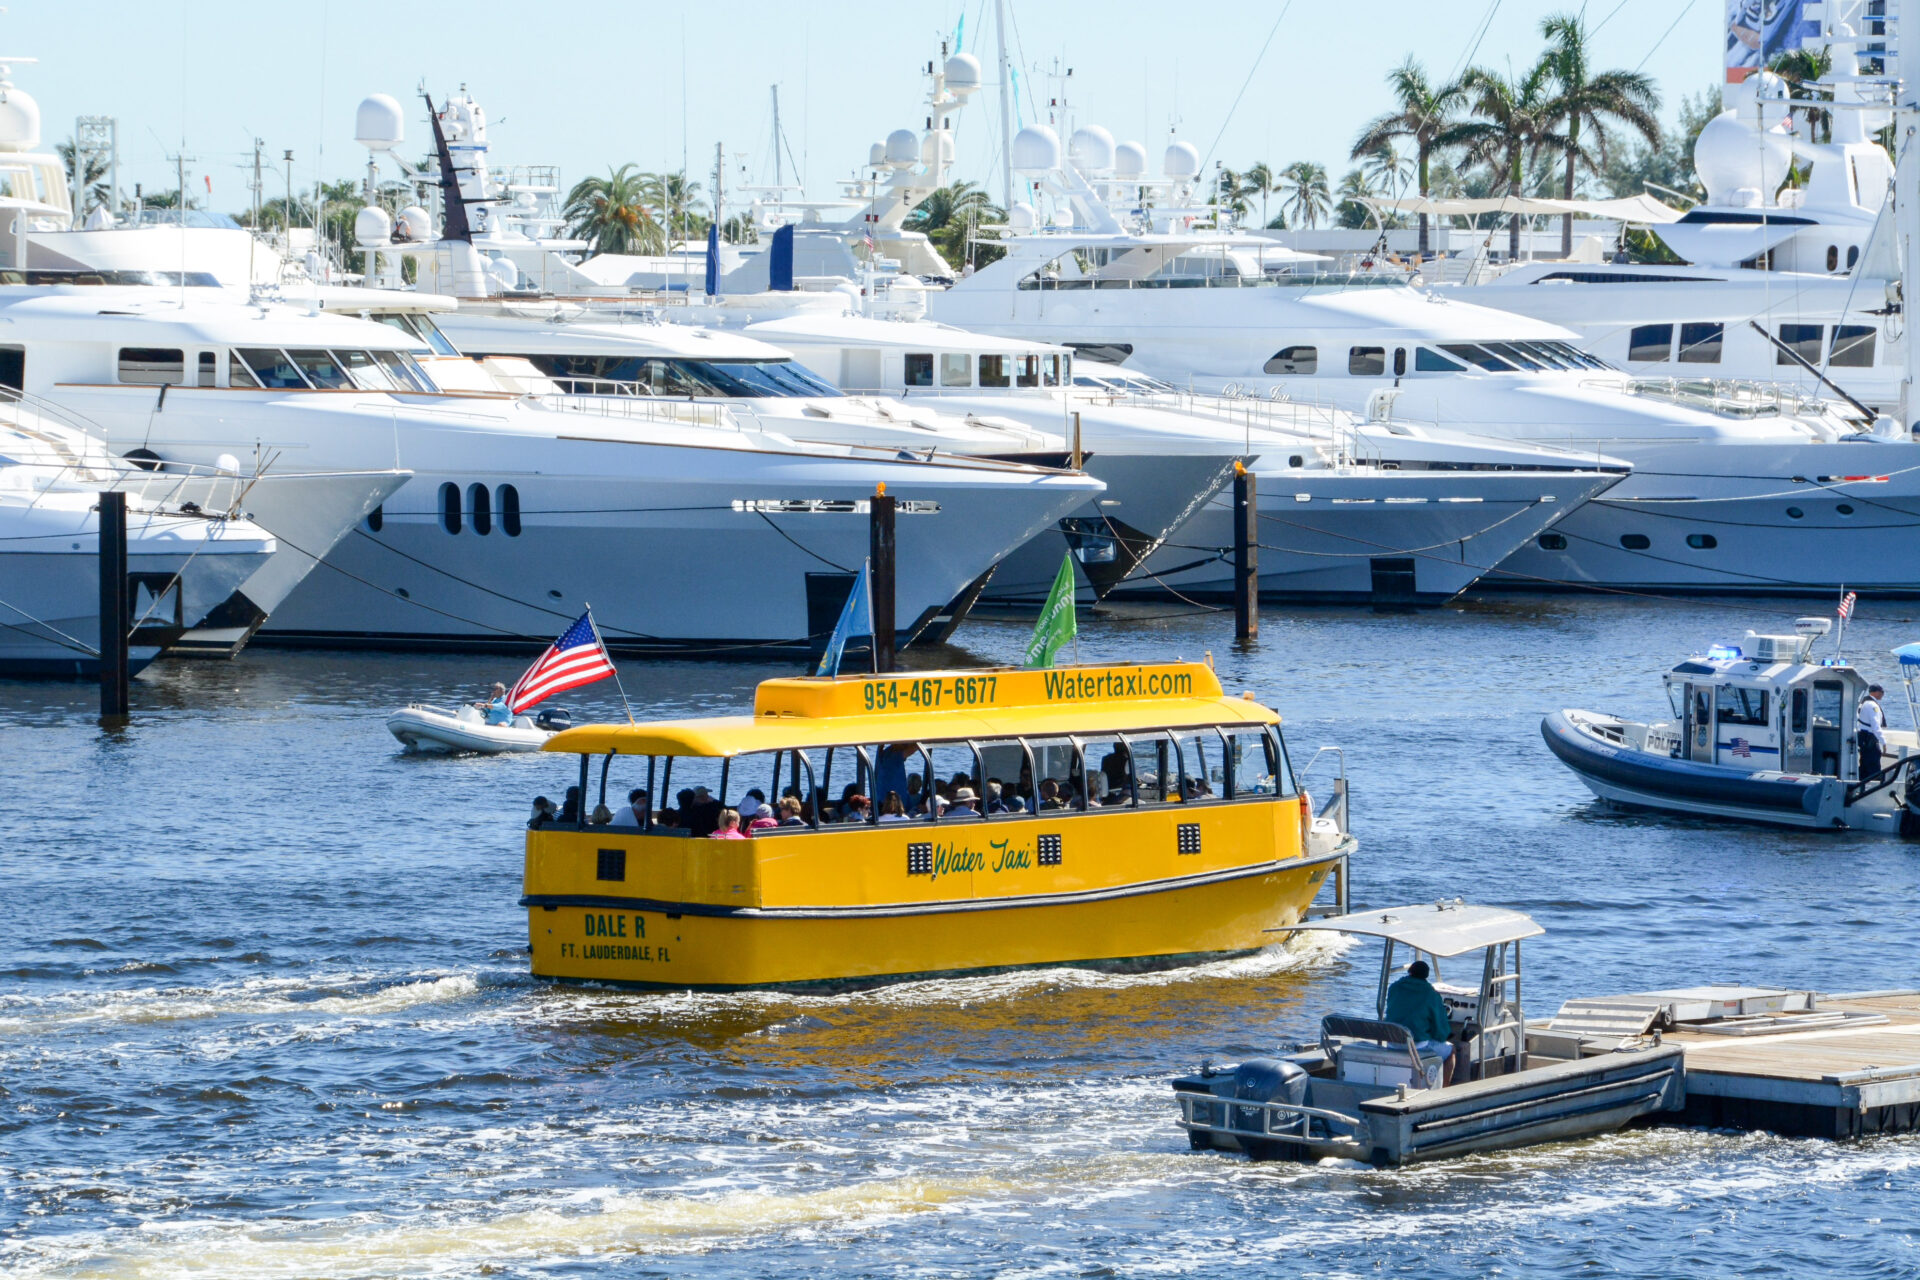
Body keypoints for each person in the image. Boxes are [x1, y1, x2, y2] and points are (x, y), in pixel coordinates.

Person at [1383, 960, 1457, 1087]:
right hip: (1417, 1046)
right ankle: (1444, 1089)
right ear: (1426, 976)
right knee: (1451, 1050)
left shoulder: (1394, 987)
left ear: (1409, 971)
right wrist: (1444, 1035)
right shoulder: (1431, 994)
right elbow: (1440, 1030)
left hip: (1393, 1042)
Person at [1859, 684, 1889, 778]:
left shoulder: (1865, 702)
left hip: (1864, 737)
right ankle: (1874, 783)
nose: (1882, 695)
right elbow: (1875, 725)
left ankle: (1862, 783)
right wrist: (1883, 742)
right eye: (1882, 692)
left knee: (1864, 762)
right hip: (1869, 738)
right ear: (1875, 692)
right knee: (1873, 763)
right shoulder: (1872, 705)